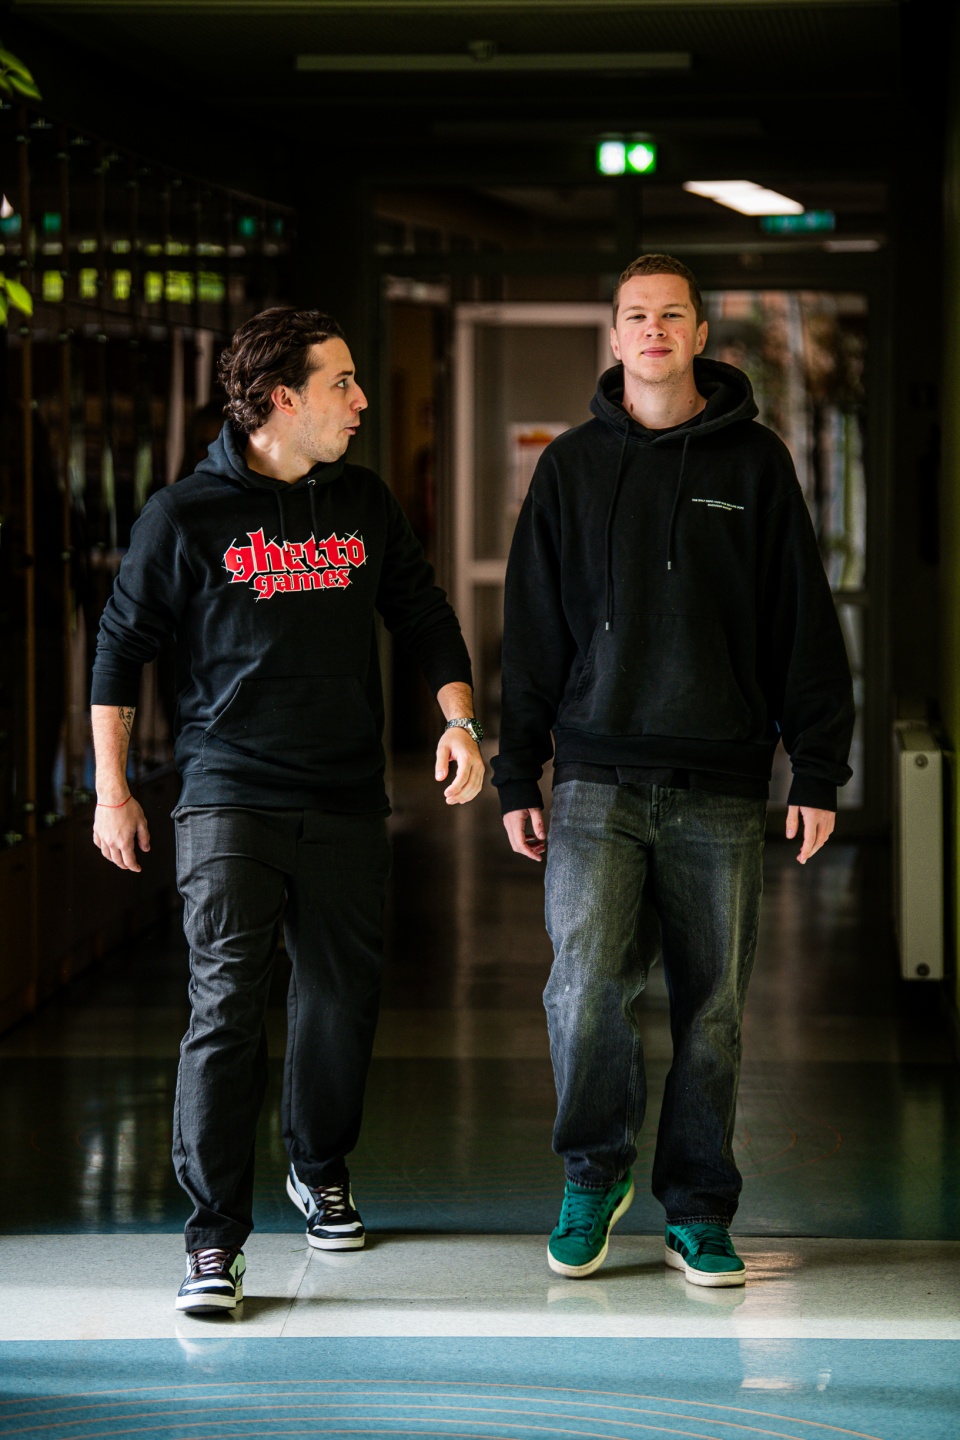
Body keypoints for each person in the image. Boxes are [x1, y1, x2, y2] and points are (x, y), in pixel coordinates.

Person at [91, 308, 484, 1313]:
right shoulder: (185, 515)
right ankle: (212, 1240)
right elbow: (120, 648)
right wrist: (112, 790)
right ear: (282, 399)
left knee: (341, 1000)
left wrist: (459, 721)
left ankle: (319, 1165)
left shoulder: (363, 501)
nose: (361, 400)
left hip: (345, 793)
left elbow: (423, 613)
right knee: (226, 1005)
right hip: (229, 794)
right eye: (341, 383)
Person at [492, 254, 853, 1288]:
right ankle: (592, 1174)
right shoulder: (569, 468)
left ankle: (697, 1208)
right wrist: (519, 773)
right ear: (614, 338)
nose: (653, 329)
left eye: (672, 315)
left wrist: (816, 768)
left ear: (699, 335)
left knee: (714, 1009)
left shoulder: (756, 464)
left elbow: (800, 620)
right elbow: (532, 631)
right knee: (582, 991)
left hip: (721, 783)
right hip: (595, 777)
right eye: (635, 315)